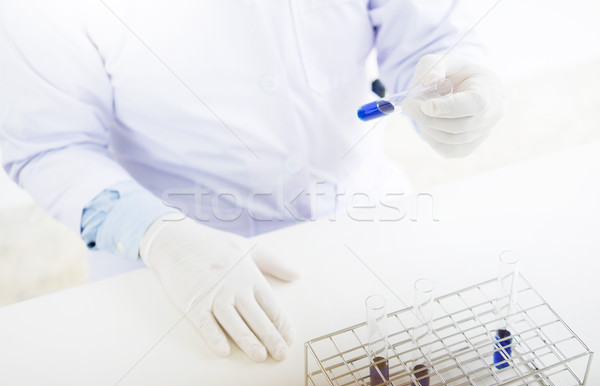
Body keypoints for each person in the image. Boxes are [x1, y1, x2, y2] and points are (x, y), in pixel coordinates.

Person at [0, 0, 503, 362]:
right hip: (177, 258)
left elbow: (429, 31)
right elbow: (49, 146)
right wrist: (156, 233)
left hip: (361, 214)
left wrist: (458, 77)